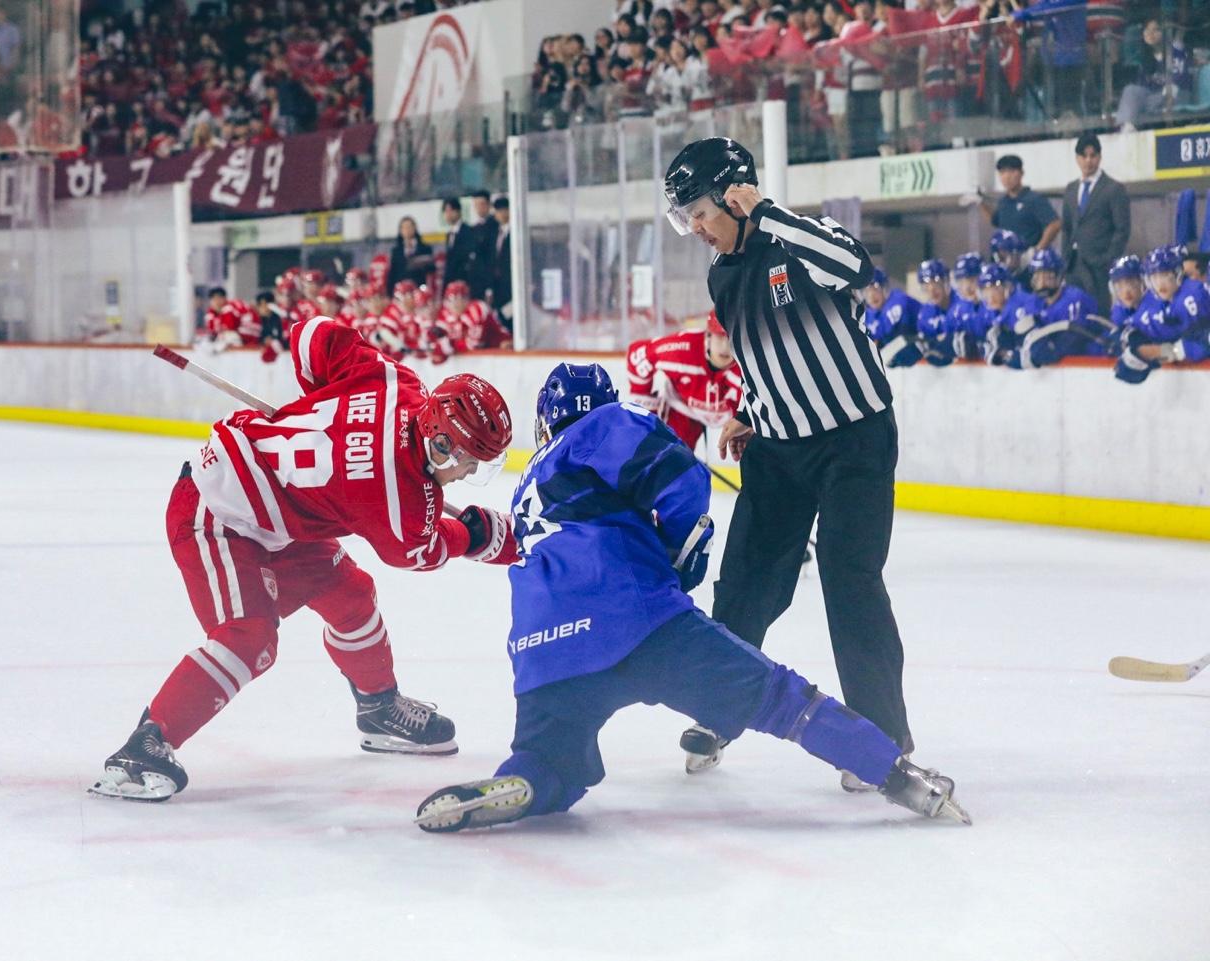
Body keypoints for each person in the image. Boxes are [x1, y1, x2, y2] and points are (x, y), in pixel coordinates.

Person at [413, 363, 969, 833]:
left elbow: (505, 538)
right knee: (781, 699)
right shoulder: (604, 423)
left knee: (551, 758)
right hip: (637, 620)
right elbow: (681, 479)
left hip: (543, 651)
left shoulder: (530, 480)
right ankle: (902, 779)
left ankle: (528, 781)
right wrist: (677, 557)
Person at [90, 319, 517, 801]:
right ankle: (144, 746)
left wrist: (326, 409)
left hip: (279, 512)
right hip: (216, 511)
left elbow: (313, 335)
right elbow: (420, 549)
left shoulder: (396, 383)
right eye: (467, 460)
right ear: (440, 440)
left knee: (351, 595)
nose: (468, 473)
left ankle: (378, 709)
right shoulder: (399, 497)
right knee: (250, 638)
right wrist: (481, 535)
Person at [659, 138, 915, 788]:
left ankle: (881, 734)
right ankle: (720, 706)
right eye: (686, 215)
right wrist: (752, 409)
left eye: (700, 211)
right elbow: (764, 355)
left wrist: (768, 212)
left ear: (734, 195)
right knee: (746, 578)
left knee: (848, 574)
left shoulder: (802, 238)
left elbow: (854, 266)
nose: (695, 226)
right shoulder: (722, 274)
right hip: (780, 447)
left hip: (855, 440)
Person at [626, 311, 746, 450]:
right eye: (719, 337)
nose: (725, 346)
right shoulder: (683, 349)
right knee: (668, 461)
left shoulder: (748, 360)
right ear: (708, 335)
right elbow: (638, 354)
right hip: (683, 409)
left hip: (732, 414)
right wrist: (647, 407)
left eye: (731, 338)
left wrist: (746, 420)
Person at [1114, 245, 1210, 384]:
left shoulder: (1189, 297)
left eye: (1165, 275)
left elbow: (1202, 340)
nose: (1160, 283)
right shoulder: (1169, 301)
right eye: (1155, 277)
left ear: (1178, 273)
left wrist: (1173, 350)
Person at [1004, 247, 1109, 368]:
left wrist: (1035, 353)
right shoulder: (1034, 302)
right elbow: (1026, 336)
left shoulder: (1075, 298)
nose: (1042, 283)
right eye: (1037, 277)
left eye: (1048, 277)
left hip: (1092, 364)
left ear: (1060, 277)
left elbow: (1070, 343)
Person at [1061, 133, 1130, 316]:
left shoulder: (1113, 189)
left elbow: (1122, 230)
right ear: (1077, 159)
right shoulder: (1070, 189)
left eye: (1093, 155)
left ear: (1099, 157)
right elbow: (1067, 228)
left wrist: (1108, 260)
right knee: (1074, 312)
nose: (1088, 160)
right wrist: (1065, 258)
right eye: (1084, 156)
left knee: (1099, 312)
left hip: (1099, 265)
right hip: (1073, 264)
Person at [978, 154, 1061, 251]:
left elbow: (1055, 224)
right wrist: (980, 203)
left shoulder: (1034, 199)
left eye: (1011, 171)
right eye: (1002, 172)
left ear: (1021, 173)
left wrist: (1037, 249)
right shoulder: (1003, 201)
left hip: (1027, 258)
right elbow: (995, 221)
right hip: (1006, 258)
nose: (1007, 177)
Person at [976, 262, 1043, 366]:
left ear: (1008, 287)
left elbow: (1034, 345)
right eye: (986, 290)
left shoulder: (1025, 303)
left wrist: (1006, 354)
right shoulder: (986, 310)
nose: (990, 296)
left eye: (995, 289)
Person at [861, 268, 923, 367]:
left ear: (884, 288)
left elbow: (897, 337)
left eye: (875, 288)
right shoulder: (868, 314)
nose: (871, 295)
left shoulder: (898, 300)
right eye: (867, 290)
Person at [913, 258, 959, 367]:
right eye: (926, 286)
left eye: (937, 283)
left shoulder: (962, 304)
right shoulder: (925, 313)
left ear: (946, 282)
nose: (932, 290)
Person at [200, 286, 259, 353]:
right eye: (214, 299)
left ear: (225, 298)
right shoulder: (211, 313)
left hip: (251, 338)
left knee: (228, 336)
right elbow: (213, 333)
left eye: (219, 298)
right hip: (243, 336)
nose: (217, 302)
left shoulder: (229, 308)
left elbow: (229, 330)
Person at [948, 253, 983, 360]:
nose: (967, 288)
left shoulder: (997, 307)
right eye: (961, 282)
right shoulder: (956, 312)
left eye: (972, 280)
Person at [388, 217, 433, 289]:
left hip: (419, 288)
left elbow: (431, 269)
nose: (407, 230)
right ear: (400, 231)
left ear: (414, 228)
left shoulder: (425, 248)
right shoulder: (396, 251)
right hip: (401, 290)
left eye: (409, 227)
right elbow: (393, 273)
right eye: (404, 228)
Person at [490, 196, 513, 330]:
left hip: (511, 284)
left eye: (505, 210)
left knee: (511, 313)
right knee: (501, 316)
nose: (502, 214)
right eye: (499, 211)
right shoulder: (494, 233)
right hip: (498, 285)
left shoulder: (517, 231)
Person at [440, 197, 475, 287]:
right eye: (445, 211)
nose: (448, 214)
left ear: (458, 211)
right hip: (452, 282)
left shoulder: (468, 231)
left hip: (465, 280)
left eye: (451, 210)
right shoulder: (449, 235)